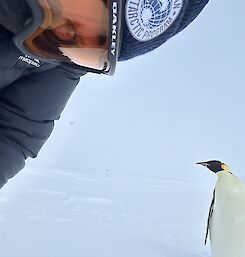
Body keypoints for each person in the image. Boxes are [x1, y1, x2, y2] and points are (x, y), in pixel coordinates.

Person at [0, 0, 209, 188]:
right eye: (79, 14)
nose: (62, 39)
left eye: (91, 46)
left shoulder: (63, 58)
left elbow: (16, 133)